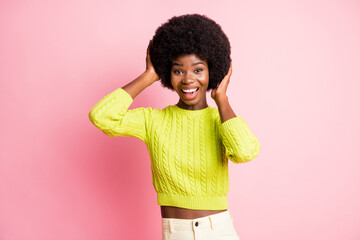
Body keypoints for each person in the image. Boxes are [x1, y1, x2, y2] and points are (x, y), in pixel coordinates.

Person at [89, 14, 260, 240]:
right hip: (175, 233)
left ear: (213, 72)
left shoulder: (222, 121)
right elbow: (101, 116)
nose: (188, 79)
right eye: (178, 70)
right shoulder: (153, 121)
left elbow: (245, 152)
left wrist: (222, 98)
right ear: (168, 74)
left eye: (198, 70)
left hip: (219, 231)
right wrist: (148, 76)